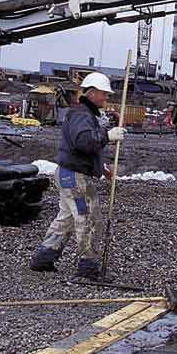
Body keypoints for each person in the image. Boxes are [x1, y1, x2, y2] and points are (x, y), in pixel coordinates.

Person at [29, 72, 127, 280]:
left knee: (66, 219)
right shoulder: (81, 114)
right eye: (103, 94)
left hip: (68, 175)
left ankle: (44, 258)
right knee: (89, 218)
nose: (106, 98)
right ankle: (88, 266)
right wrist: (107, 136)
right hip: (74, 177)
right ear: (91, 93)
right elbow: (83, 141)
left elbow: (86, 147)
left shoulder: (84, 114)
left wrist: (102, 167)